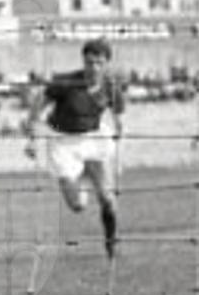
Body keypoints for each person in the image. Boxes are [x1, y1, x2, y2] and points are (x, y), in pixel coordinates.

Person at [24, 37, 127, 257]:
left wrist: (119, 137)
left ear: (107, 63)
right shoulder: (65, 83)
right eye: (90, 62)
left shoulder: (111, 87)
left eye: (99, 63)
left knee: (107, 198)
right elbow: (37, 106)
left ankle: (111, 243)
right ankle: (81, 178)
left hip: (94, 139)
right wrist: (31, 139)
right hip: (63, 143)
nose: (94, 68)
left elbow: (118, 116)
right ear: (83, 61)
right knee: (77, 205)